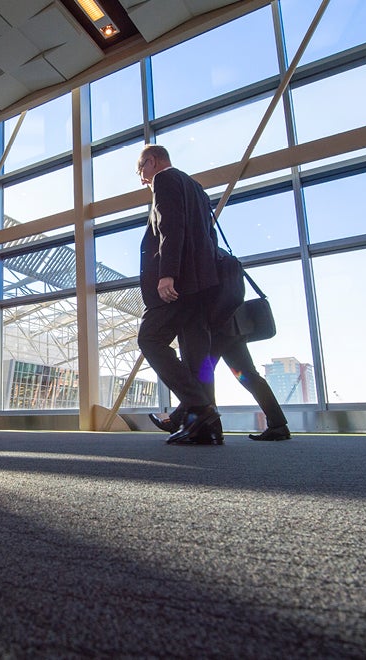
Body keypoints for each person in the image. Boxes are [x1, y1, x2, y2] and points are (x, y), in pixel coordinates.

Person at [136, 144, 223, 445]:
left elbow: (171, 228)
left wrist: (167, 274)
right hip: (202, 282)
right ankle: (208, 429)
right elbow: (207, 234)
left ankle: (200, 408)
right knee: (196, 351)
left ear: (154, 160)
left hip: (181, 282)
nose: (142, 178)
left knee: (150, 338)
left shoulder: (165, 180)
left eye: (142, 169)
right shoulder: (196, 187)